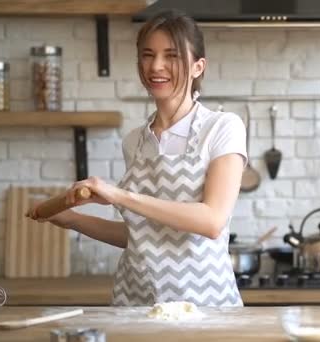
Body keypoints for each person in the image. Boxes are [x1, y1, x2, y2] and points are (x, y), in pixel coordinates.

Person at [27, 10, 247, 307]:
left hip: (205, 306)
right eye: (148, 55)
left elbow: (212, 221)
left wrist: (119, 196)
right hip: (137, 303)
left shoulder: (222, 128)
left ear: (198, 66)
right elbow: (142, 237)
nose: (156, 66)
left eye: (171, 55)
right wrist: (72, 220)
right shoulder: (135, 142)